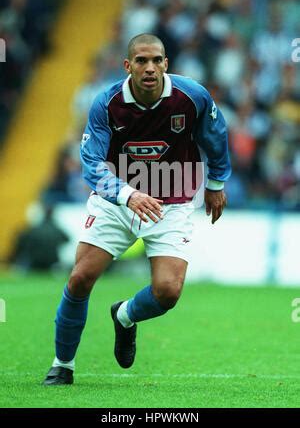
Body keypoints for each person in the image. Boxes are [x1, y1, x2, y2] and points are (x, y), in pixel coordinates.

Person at [43, 33, 231, 385]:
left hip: (170, 201)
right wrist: (127, 194)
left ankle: (125, 315)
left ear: (166, 64)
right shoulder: (106, 103)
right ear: (127, 66)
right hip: (115, 200)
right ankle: (62, 364)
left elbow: (215, 135)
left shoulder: (192, 97)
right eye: (141, 61)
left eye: (156, 60)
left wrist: (216, 183)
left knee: (168, 292)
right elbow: (91, 163)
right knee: (80, 277)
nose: (149, 68)